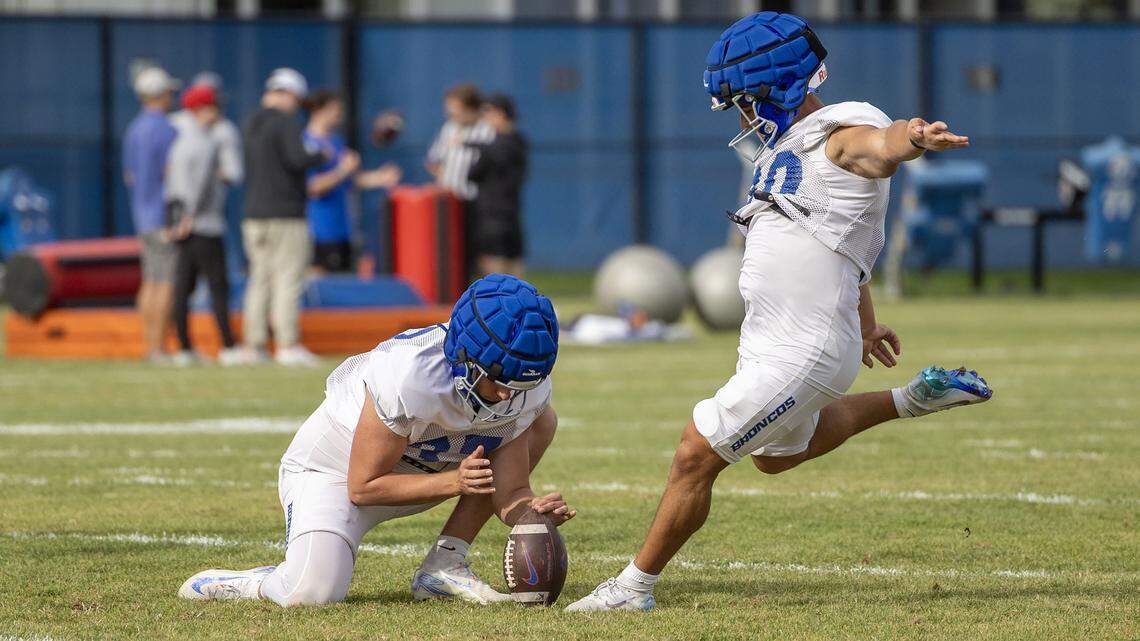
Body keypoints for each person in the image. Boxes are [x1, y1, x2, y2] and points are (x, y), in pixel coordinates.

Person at [566, 11, 992, 612]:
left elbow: (878, 146)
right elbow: (842, 245)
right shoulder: (785, 148)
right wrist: (866, 323)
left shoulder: (839, 130)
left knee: (696, 452)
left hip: (804, 346)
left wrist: (913, 139)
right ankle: (914, 398)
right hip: (774, 338)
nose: (741, 115)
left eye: (744, 101)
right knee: (775, 456)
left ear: (776, 88)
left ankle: (633, 587)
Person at [178, 274, 572, 606]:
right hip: (337, 474)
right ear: (465, 357)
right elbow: (363, 486)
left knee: (543, 422)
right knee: (311, 592)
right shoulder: (408, 374)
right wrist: (454, 481)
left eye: (519, 385)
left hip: (427, 471)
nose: (508, 395)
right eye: (499, 382)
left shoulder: (526, 388)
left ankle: (445, 565)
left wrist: (530, 512)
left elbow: (511, 489)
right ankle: (245, 582)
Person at [241, 68, 327, 367]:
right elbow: (298, 158)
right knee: (288, 279)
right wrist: (321, 155)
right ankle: (287, 343)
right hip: (285, 213)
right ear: (290, 94)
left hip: (254, 215)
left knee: (259, 280)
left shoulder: (251, 122)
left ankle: (254, 345)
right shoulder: (286, 122)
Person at [165, 84, 243, 367]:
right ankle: (228, 345)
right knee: (218, 286)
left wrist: (174, 219)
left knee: (183, 287)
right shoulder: (204, 141)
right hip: (204, 225)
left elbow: (173, 185)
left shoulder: (178, 140)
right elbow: (196, 187)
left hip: (183, 222)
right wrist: (188, 216)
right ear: (201, 109)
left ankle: (184, 346)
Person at [303, 90, 401, 273]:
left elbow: (351, 180)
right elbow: (313, 187)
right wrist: (343, 170)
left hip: (343, 230)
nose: (339, 115)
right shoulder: (306, 143)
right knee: (320, 287)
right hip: (319, 231)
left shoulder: (336, 142)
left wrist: (380, 178)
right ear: (318, 110)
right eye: (335, 110)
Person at [123, 66, 181, 365]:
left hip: (142, 213)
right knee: (166, 281)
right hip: (163, 215)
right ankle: (159, 348)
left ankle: (150, 345)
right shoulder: (167, 129)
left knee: (150, 280)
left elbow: (130, 176)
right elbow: (172, 172)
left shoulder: (134, 129)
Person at [425, 84, 494, 278]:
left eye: (456, 109)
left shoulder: (486, 130)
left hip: (475, 201)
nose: (451, 114)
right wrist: (442, 180)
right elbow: (433, 159)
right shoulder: (449, 128)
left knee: (478, 253)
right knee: (451, 253)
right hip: (450, 200)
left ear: (471, 109)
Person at [466, 94, 528, 277]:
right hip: (512, 212)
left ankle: (498, 301)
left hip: (490, 215)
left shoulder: (494, 147)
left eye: (488, 114)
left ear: (500, 114)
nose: (486, 119)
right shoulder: (519, 142)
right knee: (514, 264)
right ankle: (518, 302)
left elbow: (473, 174)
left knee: (492, 264)